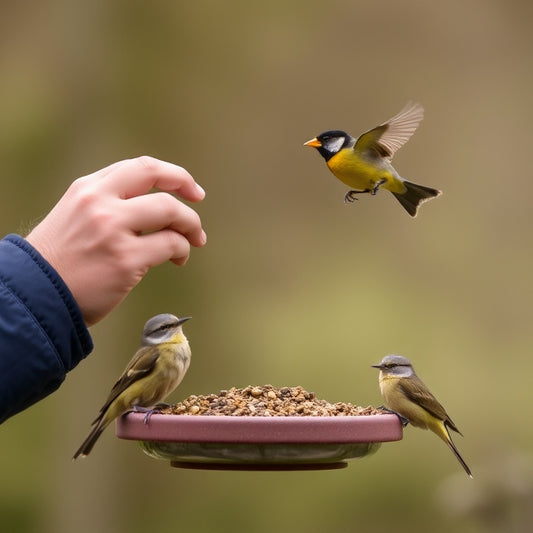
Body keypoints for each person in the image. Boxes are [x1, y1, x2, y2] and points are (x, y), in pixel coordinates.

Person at [0, 156, 206, 423]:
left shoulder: (173, 350)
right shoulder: (155, 353)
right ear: (156, 336)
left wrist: (39, 286)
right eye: (166, 328)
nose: (175, 327)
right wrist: (45, 278)